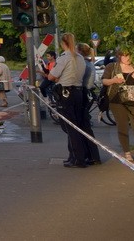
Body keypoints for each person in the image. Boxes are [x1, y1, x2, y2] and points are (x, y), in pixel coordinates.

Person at [46, 32, 92, 167]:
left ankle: (78, 158)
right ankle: (74, 156)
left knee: (69, 127)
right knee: (76, 125)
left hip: (66, 93)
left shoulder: (64, 58)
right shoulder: (80, 58)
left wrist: (58, 78)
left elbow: (51, 77)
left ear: (62, 43)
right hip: (78, 92)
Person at [101, 46, 134, 163]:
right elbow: (104, 81)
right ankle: (127, 152)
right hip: (117, 101)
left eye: (129, 55)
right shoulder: (112, 66)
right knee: (123, 126)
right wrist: (113, 80)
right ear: (119, 56)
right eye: (125, 55)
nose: (127, 58)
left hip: (133, 101)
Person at [76, 42, 102, 164]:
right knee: (85, 126)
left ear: (80, 51)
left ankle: (90, 155)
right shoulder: (89, 63)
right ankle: (92, 155)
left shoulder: (84, 64)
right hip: (88, 94)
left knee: (83, 126)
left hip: (84, 95)